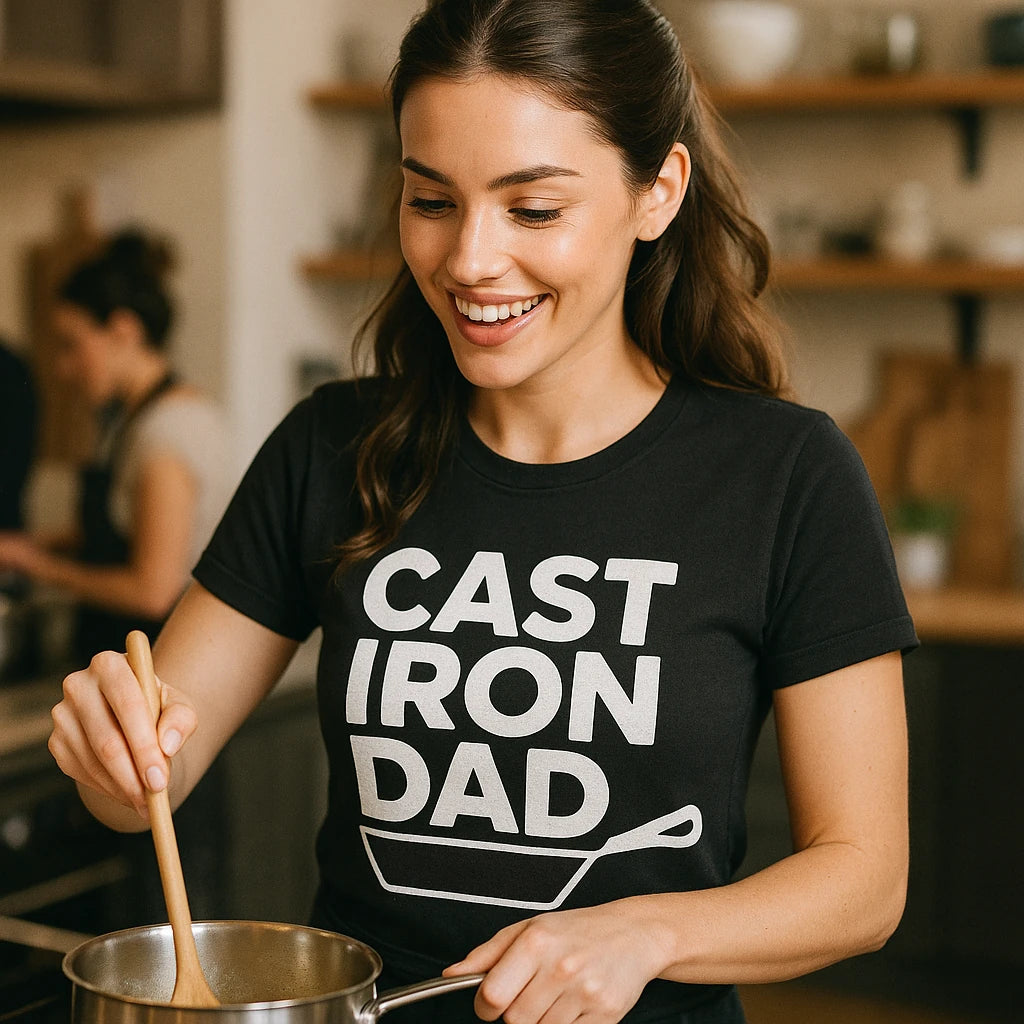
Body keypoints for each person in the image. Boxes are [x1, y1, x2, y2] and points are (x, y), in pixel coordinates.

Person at [46, 3, 917, 1023]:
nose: (468, 260)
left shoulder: (783, 475)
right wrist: (117, 752)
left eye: (532, 210)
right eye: (430, 199)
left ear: (657, 192)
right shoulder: (330, 447)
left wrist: (648, 931)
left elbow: (863, 878)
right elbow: (149, 772)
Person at [0, 229, 230, 660]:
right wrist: (34, 544)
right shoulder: (133, 419)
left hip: (159, 662)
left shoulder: (169, 431)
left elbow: (152, 591)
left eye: (72, 345)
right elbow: (126, 527)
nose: (63, 369)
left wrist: (35, 565)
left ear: (123, 331)